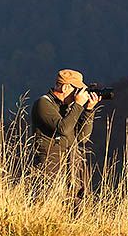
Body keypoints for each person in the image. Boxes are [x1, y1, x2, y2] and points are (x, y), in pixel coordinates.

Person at [31, 68, 101, 209]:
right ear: (65, 87)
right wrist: (78, 105)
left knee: (76, 209)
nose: (79, 94)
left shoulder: (68, 108)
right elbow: (63, 128)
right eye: (77, 89)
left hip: (71, 166)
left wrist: (89, 110)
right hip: (50, 167)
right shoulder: (43, 104)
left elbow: (83, 138)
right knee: (47, 208)